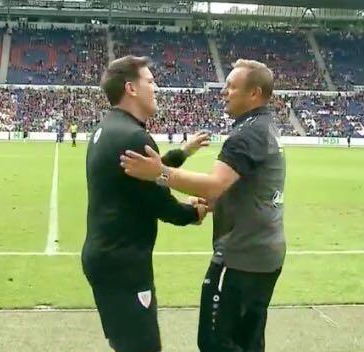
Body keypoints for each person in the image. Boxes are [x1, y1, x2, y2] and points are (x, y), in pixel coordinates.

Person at [121, 59, 286, 352]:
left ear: (254, 93)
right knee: (248, 340)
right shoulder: (264, 127)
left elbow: (214, 183)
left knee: (215, 342)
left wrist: (159, 172)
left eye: (232, 87)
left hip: (241, 256)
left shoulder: (247, 134)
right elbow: (241, 187)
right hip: (263, 253)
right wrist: (212, 203)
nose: (224, 92)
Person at [82, 55, 210, 352]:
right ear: (132, 88)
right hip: (125, 265)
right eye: (151, 82)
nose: (156, 88)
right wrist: (197, 210)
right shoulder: (136, 137)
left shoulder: (107, 129)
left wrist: (182, 152)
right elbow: (163, 206)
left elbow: (142, 177)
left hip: (105, 258)